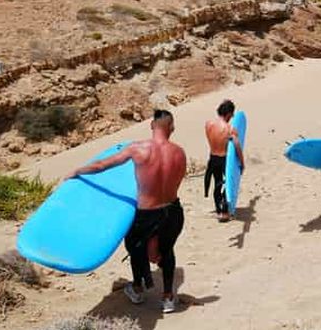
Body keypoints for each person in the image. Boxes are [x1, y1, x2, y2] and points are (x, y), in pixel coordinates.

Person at [66, 109, 186, 313]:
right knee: (167, 251)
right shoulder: (179, 152)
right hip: (173, 211)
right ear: (172, 127)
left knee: (135, 248)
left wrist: (77, 171)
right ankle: (167, 297)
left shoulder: (137, 149)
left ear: (151, 125)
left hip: (146, 213)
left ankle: (138, 289)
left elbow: (102, 165)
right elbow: (176, 181)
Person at [204, 99, 244, 222]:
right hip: (224, 159)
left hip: (213, 158)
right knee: (228, 183)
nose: (232, 117)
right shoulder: (230, 129)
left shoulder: (208, 124)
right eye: (232, 115)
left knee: (217, 183)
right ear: (229, 113)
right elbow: (237, 145)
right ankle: (225, 212)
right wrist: (242, 162)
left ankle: (218, 210)